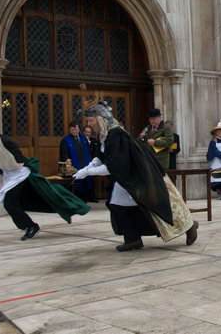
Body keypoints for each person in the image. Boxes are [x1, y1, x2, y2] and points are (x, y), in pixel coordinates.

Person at [76, 102, 198, 251]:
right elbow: (102, 156)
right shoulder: (105, 135)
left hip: (138, 176)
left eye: (91, 120)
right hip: (127, 177)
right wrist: (88, 167)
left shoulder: (115, 134)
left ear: (100, 119)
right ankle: (133, 239)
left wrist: (87, 172)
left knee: (153, 205)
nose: (89, 124)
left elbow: (114, 165)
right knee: (122, 206)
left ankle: (189, 225)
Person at [0, 119, 89, 240]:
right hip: (10, 176)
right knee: (27, 201)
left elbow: (18, 159)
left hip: (20, 174)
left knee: (10, 203)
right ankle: (63, 210)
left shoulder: (4, 141)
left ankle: (31, 227)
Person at [59, 121, 95, 203]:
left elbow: (89, 151)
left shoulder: (83, 138)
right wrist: (66, 158)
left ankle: (87, 198)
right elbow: (64, 153)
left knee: (87, 180)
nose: (74, 131)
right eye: (72, 130)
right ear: (69, 130)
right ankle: (78, 200)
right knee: (78, 181)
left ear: (79, 129)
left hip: (85, 163)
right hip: (74, 165)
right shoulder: (66, 140)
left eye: (76, 129)